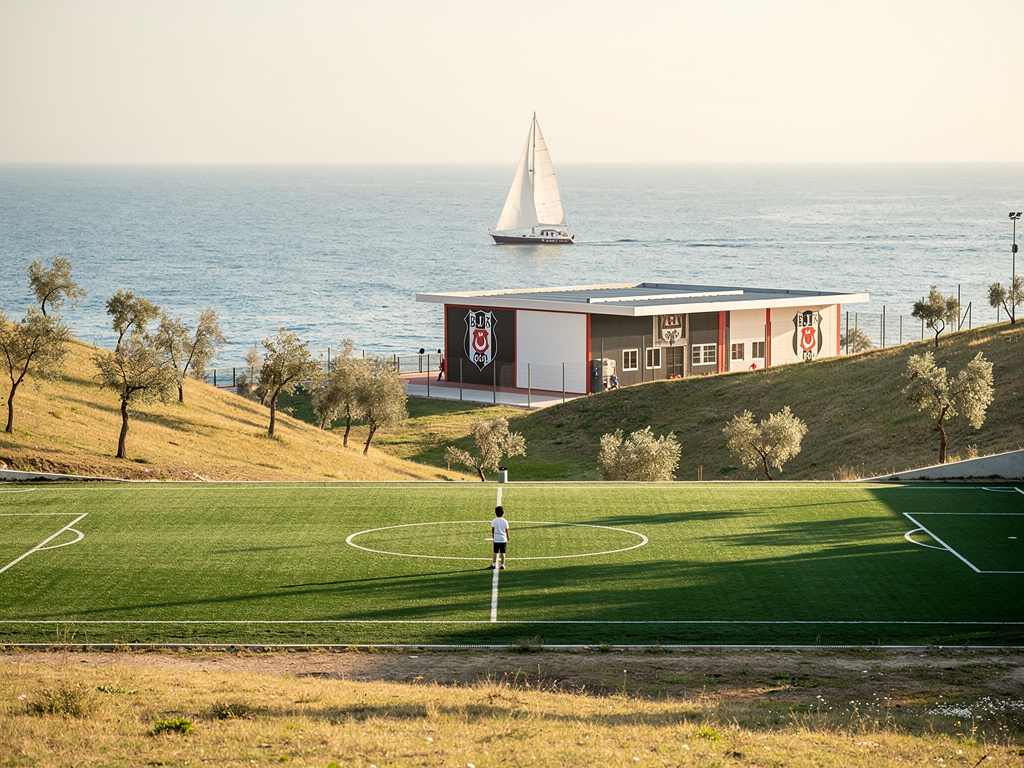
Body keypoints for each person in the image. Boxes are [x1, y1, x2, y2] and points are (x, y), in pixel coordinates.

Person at [490, 505, 509, 570]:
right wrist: (507, 537)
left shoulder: (494, 521)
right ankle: (503, 565)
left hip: (496, 538)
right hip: (503, 538)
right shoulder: (505, 521)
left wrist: (493, 536)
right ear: (503, 513)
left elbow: (493, 529)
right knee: (503, 553)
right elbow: (506, 531)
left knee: (495, 552)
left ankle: (494, 564)